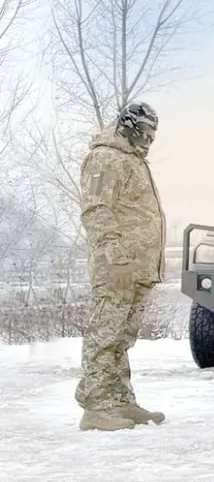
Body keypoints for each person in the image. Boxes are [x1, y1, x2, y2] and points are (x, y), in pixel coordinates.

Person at [75, 102, 167, 432]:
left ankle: (119, 402)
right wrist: (116, 257)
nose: (148, 140)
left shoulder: (132, 160)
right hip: (118, 266)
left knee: (121, 338)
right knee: (106, 333)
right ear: (127, 126)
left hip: (137, 268)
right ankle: (97, 406)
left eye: (153, 134)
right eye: (144, 132)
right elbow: (96, 209)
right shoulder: (105, 158)